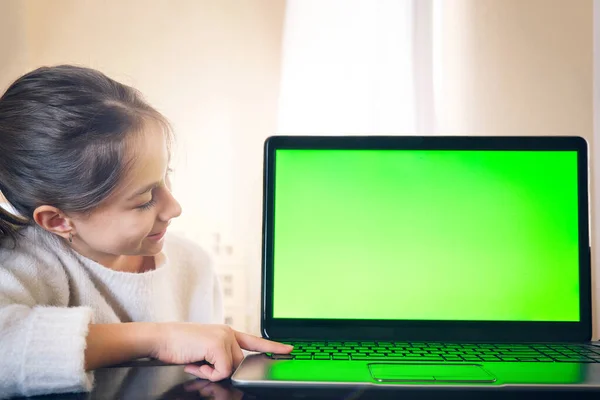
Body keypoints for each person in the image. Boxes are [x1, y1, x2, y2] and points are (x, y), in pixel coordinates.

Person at [0, 65, 292, 398]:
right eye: (143, 200)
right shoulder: (24, 265)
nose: (174, 208)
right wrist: (160, 338)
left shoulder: (192, 264)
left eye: (165, 176)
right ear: (58, 221)